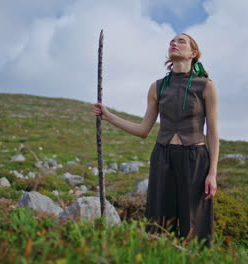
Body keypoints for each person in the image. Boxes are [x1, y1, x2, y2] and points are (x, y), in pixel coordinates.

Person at [93, 33, 219, 248]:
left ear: (193, 53)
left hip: (195, 158)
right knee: (160, 220)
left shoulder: (206, 86)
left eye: (181, 41)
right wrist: (108, 116)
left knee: (195, 224)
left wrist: (212, 173)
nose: (174, 43)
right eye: (172, 41)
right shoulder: (157, 87)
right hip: (162, 156)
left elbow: (214, 133)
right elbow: (143, 130)